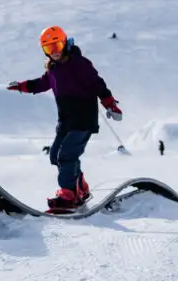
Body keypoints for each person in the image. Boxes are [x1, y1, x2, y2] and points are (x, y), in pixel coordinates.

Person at [8, 25, 122, 210]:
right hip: (66, 121)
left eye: (57, 46)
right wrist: (22, 86)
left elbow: (97, 83)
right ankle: (80, 187)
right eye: (48, 49)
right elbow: (41, 83)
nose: (53, 52)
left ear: (65, 43)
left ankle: (68, 194)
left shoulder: (79, 63)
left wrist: (110, 103)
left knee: (67, 155)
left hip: (83, 119)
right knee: (55, 156)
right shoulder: (53, 70)